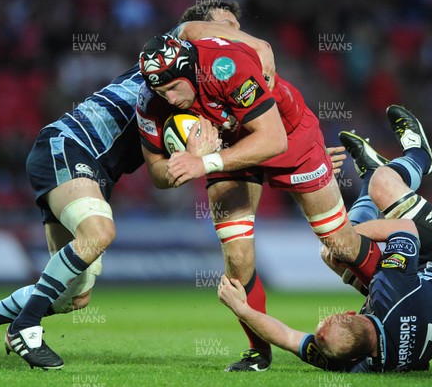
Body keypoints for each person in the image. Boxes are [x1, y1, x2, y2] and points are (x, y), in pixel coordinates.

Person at [0, 1, 276, 370]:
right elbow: (192, 28)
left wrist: (194, 162)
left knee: (73, 295)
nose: (234, 36)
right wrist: (261, 45)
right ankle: (26, 326)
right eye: (228, 27)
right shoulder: (170, 57)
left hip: (94, 170)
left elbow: (161, 179)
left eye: (239, 29)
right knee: (100, 231)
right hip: (70, 144)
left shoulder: (192, 98)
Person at [136, 34, 382, 371]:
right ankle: (258, 353)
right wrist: (181, 164)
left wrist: (204, 164)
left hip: (289, 136)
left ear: (190, 71)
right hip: (227, 153)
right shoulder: (150, 101)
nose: (169, 98)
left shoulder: (226, 68)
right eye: (161, 92)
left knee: (339, 243)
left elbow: (273, 139)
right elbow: (157, 173)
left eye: (173, 88)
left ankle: (394, 307)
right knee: (237, 258)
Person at [217, 105, 432, 372]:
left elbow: (287, 338)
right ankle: (419, 155)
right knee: (382, 186)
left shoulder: (350, 361)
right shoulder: (391, 293)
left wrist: (245, 310)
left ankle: (369, 172)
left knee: (333, 255)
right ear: (351, 314)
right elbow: (406, 229)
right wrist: (343, 233)